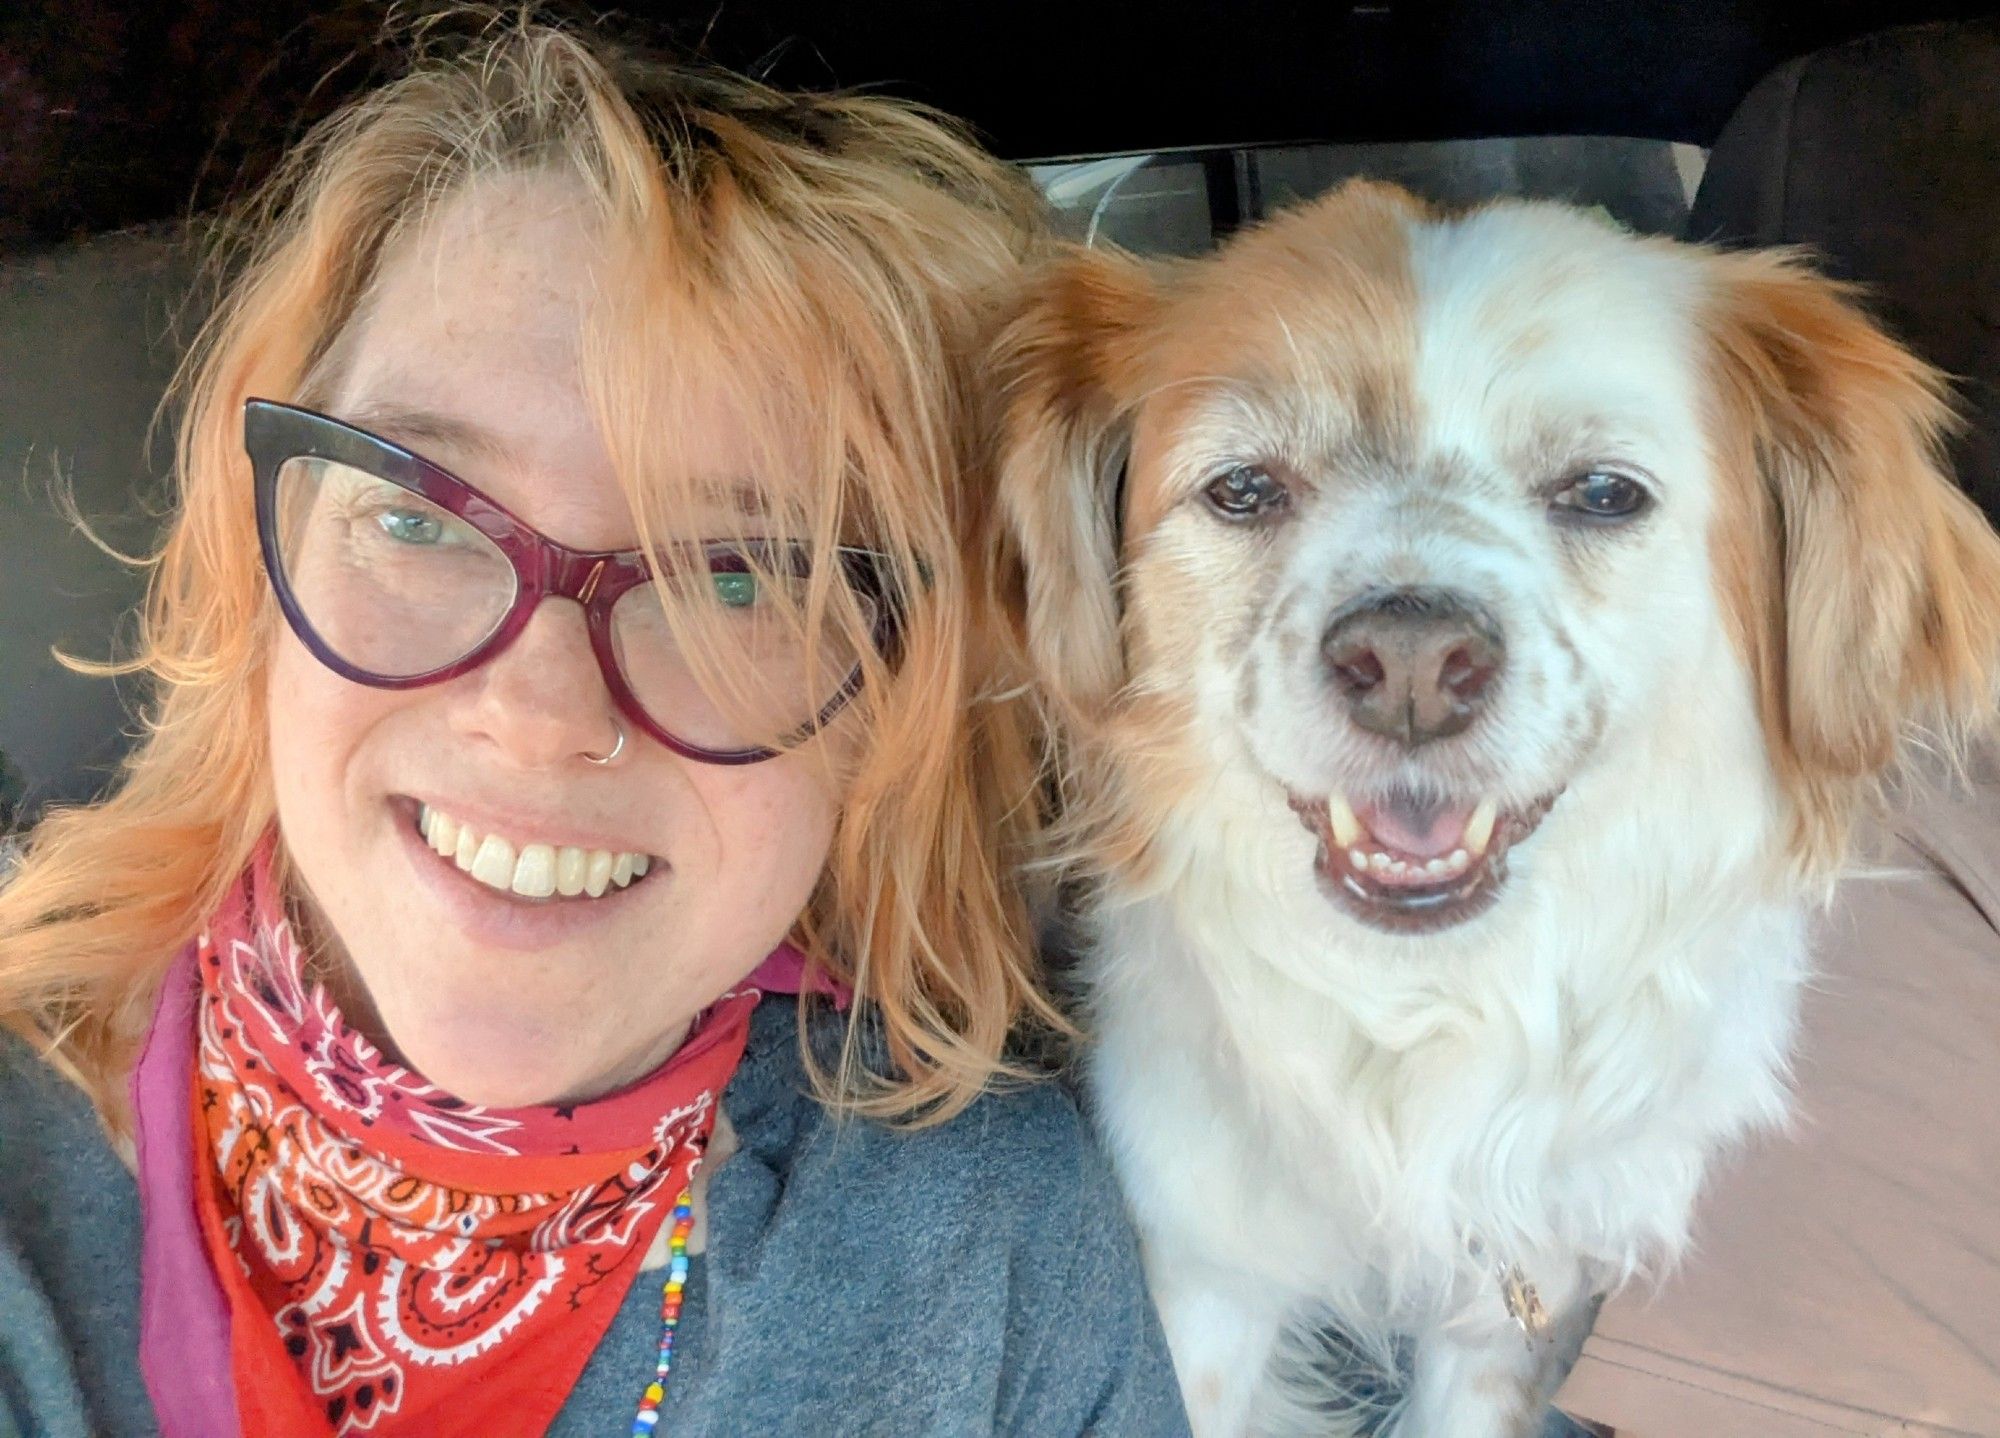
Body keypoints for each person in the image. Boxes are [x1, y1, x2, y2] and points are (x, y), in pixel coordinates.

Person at [0, 14, 1188, 1437]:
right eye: (419, 511)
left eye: (737, 573)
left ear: (896, 712)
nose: (538, 711)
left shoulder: (988, 1236)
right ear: (263, 561)